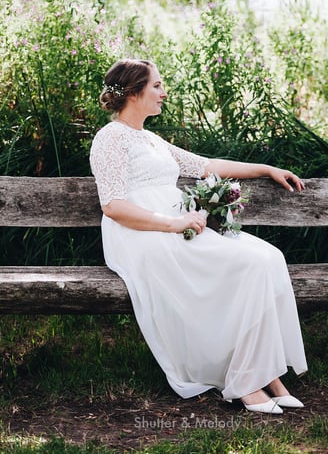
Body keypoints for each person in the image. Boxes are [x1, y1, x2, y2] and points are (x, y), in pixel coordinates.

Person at [89, 58, 308, 415]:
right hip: (143, 235)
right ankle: (247, 382)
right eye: (156, 85)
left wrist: (267, 168)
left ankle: (266, 374)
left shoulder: (150, 138)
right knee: (248, 265)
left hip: (180, 228)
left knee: (268, 258)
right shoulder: (109, 138)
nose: (163, 92)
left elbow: (205, 165)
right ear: (133, 92)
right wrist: (173, 224)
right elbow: (113, 205)